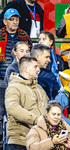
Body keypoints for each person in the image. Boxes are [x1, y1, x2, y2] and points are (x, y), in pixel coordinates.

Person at [0, 8, 32, 144]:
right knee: (2, 111)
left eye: (16, 19)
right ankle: (2, 141)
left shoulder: (23, 35)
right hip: (1, 79)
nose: (15, 22)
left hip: (20, 79)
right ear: (5, 21)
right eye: (11, 19)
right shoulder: (0, 34)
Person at [5, 56, 49, 150]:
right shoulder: (14, 87)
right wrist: (36, 120)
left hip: (39, 140)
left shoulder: (39, 88)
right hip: (21, 142)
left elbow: (49, 107)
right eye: (35, 67)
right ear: (26, 69)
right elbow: (12, 107)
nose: (38, 69)